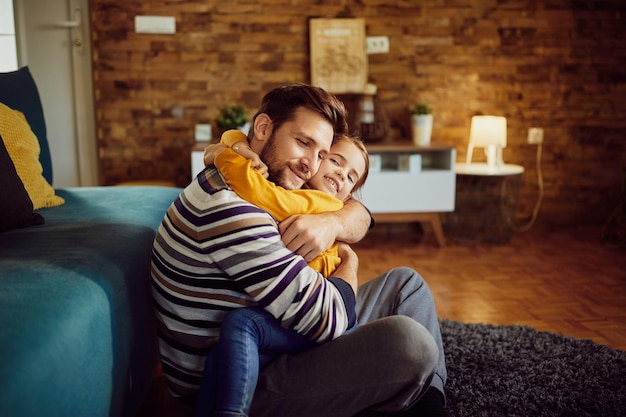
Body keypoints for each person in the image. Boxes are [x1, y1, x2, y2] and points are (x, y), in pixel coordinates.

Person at [151, 83, 448, 417]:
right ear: (263, 128)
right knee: (410, 344)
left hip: (284, 328)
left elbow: (354, 209)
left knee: (407, 284)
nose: (311, 164)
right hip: (240, 379)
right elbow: (332, 320)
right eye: (303, 143)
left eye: (321, 154)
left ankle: (427, 405)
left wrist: (335, 223)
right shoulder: (234, 211)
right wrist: (349, 263)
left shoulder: (245, 174)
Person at [194, 130, 370, 417]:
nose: (341, 175)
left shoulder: (321, 203)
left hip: (322, 315)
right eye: (335, 161)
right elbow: (233, 135)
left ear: (349, 194)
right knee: (218, 358)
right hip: (291, 311)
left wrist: (222, 155)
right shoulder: (295, 188)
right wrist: (237, 143)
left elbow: (257, 190)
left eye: (351, 177)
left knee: (240, 325)